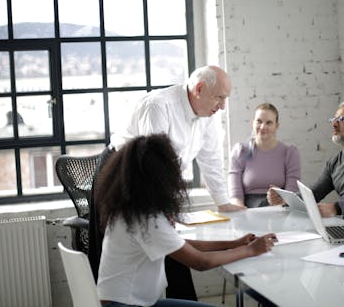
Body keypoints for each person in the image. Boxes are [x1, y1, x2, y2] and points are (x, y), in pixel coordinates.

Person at [89, 65, 244, 299]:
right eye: (219, 97)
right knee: (150, 243)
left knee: (171, 242)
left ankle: (182, 300)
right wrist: (164, 207)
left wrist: (223, 202)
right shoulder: (159, 106)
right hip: (125, 174)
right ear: (199, 89)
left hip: (155, 181)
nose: (222, 105)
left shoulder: (208, 114)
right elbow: (153, 162)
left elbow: (210, 159)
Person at [95, 134, 276, 307]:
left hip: (123, 301)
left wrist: (233, 243)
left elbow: (182, 245)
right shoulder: (148, 219)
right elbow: (201, 262)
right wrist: (250, 250)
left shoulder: (129, 209)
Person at [228, 103, 301, 207]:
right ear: (252, 123)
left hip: (278, 207)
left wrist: (280, 202)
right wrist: (240, 212)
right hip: (248, 209)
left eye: (269, 123)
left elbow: (292, 193)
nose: (263, 127)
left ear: (277, 126)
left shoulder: (289, 153)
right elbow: (235, 195)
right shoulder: (240, 151)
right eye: (259, 121)